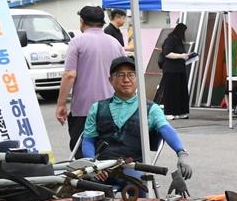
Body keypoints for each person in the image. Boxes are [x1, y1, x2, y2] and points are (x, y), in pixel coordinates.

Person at [81, 56, 192, 187]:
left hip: (133, 167)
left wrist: (181, 153)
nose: (126, 79)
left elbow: (166, 129)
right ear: (110, 80)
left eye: (131, 74)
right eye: (120, 75)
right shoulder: (97, 108)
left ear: (138, 79)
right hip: (101, 167)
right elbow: (88, 139)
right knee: (80, 190)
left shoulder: (150, 109)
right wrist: (94, 165)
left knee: (137, 188)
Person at [57, 5, 124, 154]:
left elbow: (69, 75)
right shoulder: (115, 43)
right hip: (112, 108)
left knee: (83, 153)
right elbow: (124, 75)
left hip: (84, 109)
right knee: (109, 152)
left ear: (82, 21)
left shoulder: (77, 42)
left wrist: (61, 104)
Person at [159, 22, 192, 119]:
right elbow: (167, 53)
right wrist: (182, 56)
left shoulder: (178, 41)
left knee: (180, 92)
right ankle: (169, 112)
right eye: (184, 31)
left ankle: (181, 112)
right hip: (170, 70)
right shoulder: (170, 40)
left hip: (180, 70)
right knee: (171, 92)